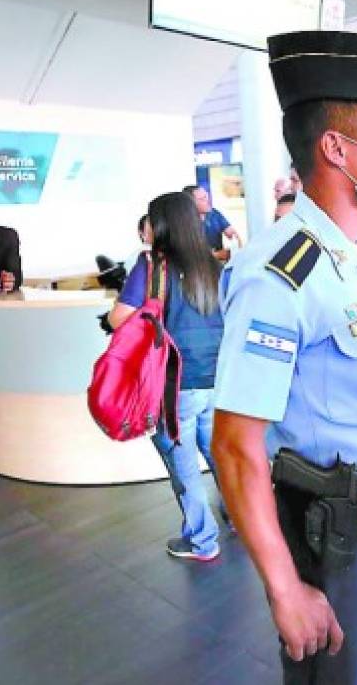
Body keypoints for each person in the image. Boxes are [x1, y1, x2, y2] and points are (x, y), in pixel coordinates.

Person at [210, 30, 357, 685]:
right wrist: (284, 586)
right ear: (336, 146)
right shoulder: (280, 274)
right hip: (331, 534)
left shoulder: (353, 254)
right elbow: (234, 446)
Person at [107, 192, 229, 561]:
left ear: (159, 224)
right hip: (216, 378)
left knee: (183, 463)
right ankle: (240, 517)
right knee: (219, 453)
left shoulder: (151, 266)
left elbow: (118, 318)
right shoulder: (214, 264)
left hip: (176, 384)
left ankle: (201, 540)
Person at [184, 184, 244, 261]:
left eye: (207, 196)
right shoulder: (184, 223)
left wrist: (236, 244)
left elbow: (233, 235)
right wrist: (219, 255)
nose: (208, 201)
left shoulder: (214, 214)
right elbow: (190, 256)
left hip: (218, 265)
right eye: (202, 199)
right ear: (191, 204)